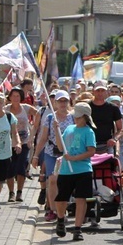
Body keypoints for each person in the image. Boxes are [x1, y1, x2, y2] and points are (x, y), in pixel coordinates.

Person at [53, 102, 97, 241]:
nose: (76, 119)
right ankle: (60, 219)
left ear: (85, 117)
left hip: (83, 170)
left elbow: (91, 151)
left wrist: (74, 158)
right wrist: (56, 130)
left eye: (78, 116)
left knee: (81, 199)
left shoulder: (89, 132)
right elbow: (61, 147)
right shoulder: (69, 129)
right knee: (61, 199)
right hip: (66, 170)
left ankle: (77, 229)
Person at [32, 90, 74, 222]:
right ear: (55, 102)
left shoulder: (73, 118)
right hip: (51, 153)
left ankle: (63, 208)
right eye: (60, 101)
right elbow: (43, 138)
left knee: (65, 181)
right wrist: (35, 155)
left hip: (67, 154)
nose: (62, 104)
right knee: (52, 180)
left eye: (65, 101)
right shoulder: (50, 118)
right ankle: (52, 209)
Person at [4, 87, 38, 202]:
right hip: (9, 143)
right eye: (13, 96)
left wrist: (33, 131)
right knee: (10, 168)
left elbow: (38, 114)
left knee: (21, 167)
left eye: (18, 96)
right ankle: (11, 193)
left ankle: (19, 192)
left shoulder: (26, 108)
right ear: (9, 97)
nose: (15, 98)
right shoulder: (5, 109)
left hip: (24, 142)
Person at [89, 80, 123, 154]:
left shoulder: (113, 108)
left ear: (107, 92)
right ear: (93, 91)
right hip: (88, 146)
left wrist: (114, 139)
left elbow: (120, 129)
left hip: (107, 146)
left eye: (102, 90)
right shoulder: (87, 107)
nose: (100, 93)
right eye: (98, 90)